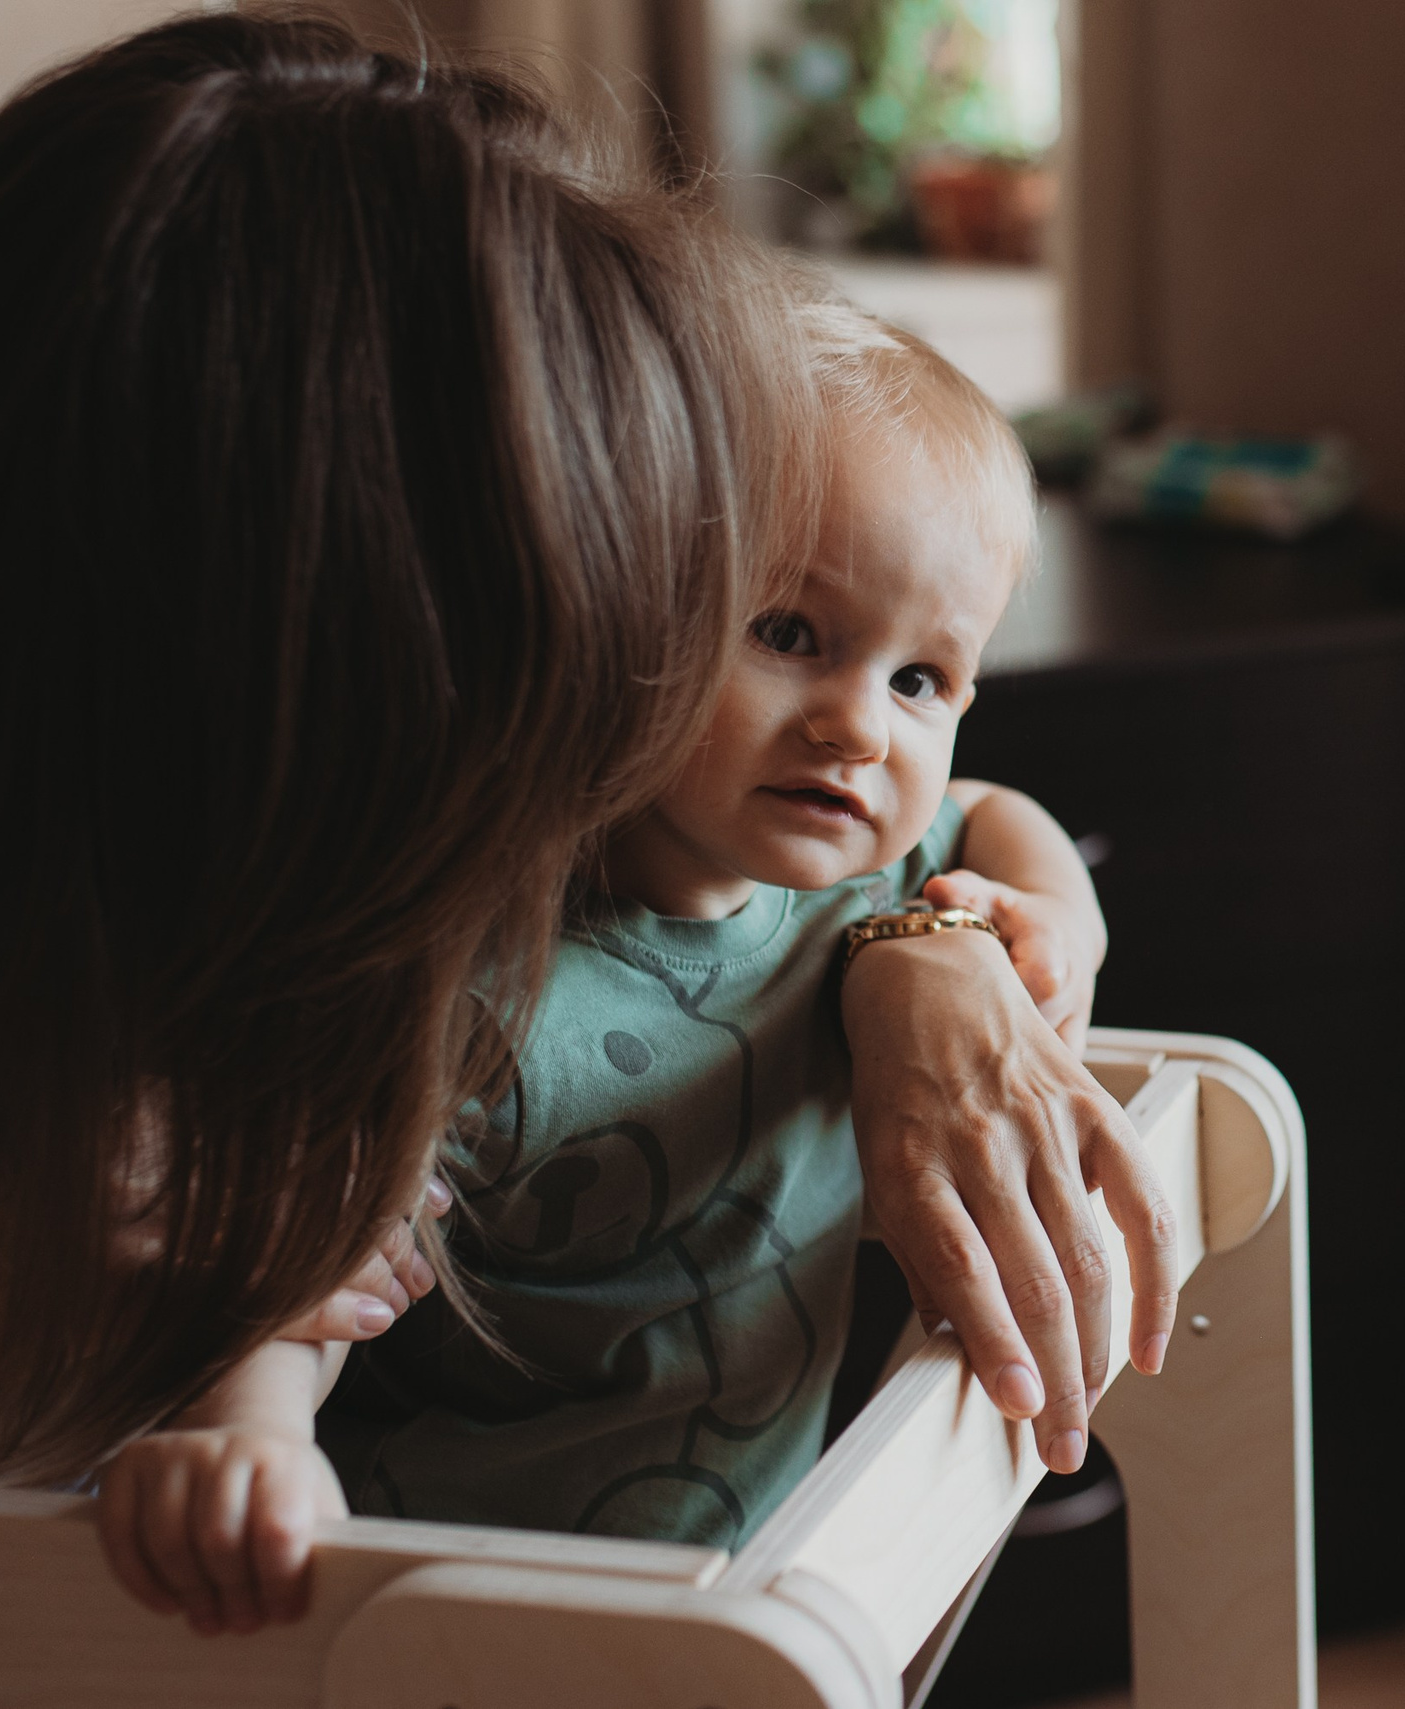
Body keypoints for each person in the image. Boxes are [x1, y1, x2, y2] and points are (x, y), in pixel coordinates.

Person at [0, 10, 1170, 1556]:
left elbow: (754, 866)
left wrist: (919, 953)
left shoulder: (413, 761)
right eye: (770, 640)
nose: (591, 796)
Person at [94, 308, 1157, 1634]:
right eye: (788, 631)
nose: (857, 725)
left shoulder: (858, 878)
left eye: (924, 677)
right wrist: (246, 1437)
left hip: (752, 1585)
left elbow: (992, 809)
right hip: (463, 1610)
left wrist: (1060, 910)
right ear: (623, 601)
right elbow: (323, 1258)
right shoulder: (482, 978)